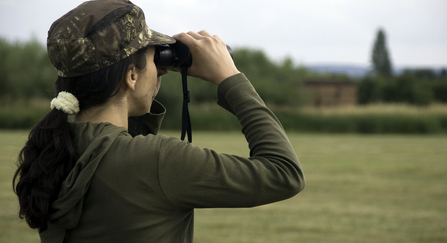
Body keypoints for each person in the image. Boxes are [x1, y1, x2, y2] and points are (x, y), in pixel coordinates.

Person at [13, 0, 305, 242]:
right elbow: (284, 173)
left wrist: (144, 83)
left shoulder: (52, 149)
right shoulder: (156, 162)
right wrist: (230, 78)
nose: (162, 71)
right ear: (131, 76)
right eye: (155, 60)